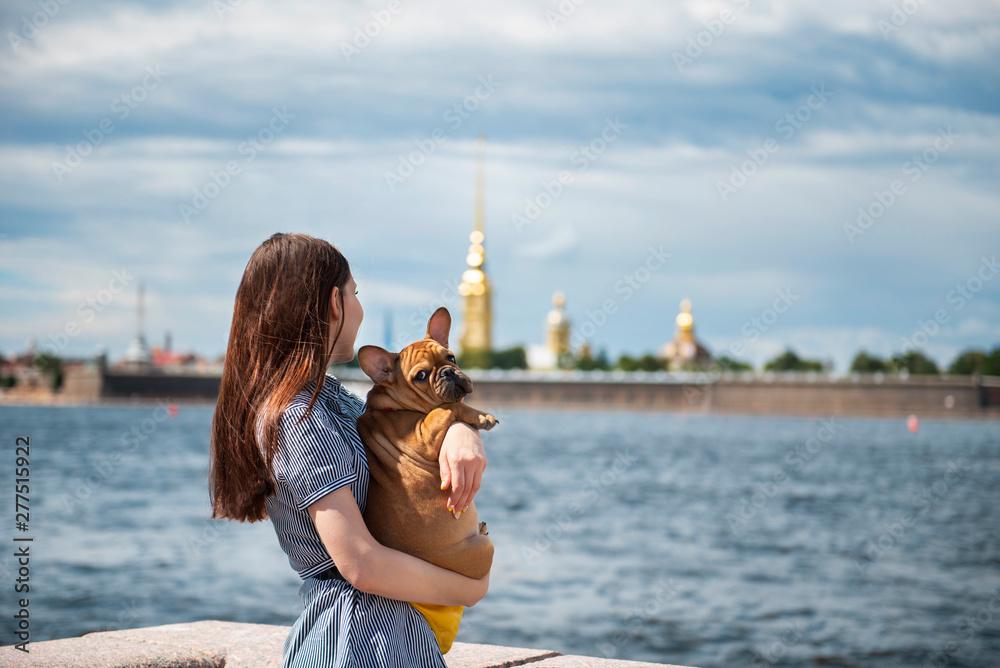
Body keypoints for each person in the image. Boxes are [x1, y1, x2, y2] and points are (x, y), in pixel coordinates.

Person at [209, 232, 490, 667]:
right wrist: (470, 588)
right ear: (335, 304)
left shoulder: (328, 396)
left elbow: (404, 431)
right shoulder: (300, 416)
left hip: (385, 633)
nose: (360, 305)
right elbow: (360, 563)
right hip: (361, 640)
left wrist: (457, 427)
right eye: (355, 292)